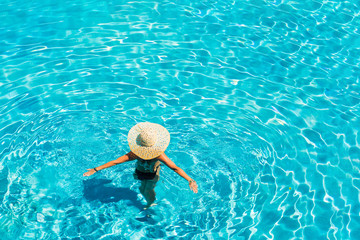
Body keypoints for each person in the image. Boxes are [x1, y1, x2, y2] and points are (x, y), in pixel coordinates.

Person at [83, 122, 198, 208]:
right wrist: (190, 180)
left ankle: (150, 203)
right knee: (145, 188)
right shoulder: (155, 155)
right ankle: (150, 201)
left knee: (144, 188)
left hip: (145, 174)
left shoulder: (140, 154)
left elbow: (115, 162)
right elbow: (174, 167)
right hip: (146, 173)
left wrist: (95, 169)